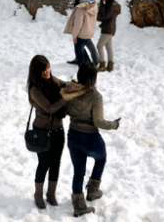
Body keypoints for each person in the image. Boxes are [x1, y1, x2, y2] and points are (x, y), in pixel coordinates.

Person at [27, 55, 85, 210]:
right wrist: (65, 98)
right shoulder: (35, 90)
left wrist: (76, 86)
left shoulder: (53, 81)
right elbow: (50, 108)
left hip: (58, 130)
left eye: (48, 67)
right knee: (44, 163)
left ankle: (51, 194)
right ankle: (38, 195)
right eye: (43, 70)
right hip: (42, 132)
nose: (47, 71)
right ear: (36, 72)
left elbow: (65, 84)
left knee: (56, 163)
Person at [63, 65, 120, 217]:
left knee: (78, 171)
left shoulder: (70, 90)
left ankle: (79, 205)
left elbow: (65, 110)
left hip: (73, 136)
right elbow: (99, 122)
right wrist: (114, 125)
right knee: (101, 159)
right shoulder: (96, 96)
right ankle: (93, 191)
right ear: (94, 78)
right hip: (90, 138)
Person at [67, 0, 99, 66]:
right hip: (89, 30)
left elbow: (78, 23)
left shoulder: (81, 7)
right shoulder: (93, 3)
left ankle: (83, 66)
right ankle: (96, 62)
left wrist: (74, 35)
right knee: (90, 46)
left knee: (78, 50)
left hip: (81, 32)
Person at [97, 0, 121, 72]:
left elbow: (104, 16)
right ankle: (110, 66)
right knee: (108, 47)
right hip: (110, 28)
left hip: (108, 29)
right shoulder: (112, 4)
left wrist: (101, 5)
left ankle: (102, 64)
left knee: (99, 46)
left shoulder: (110, 5)